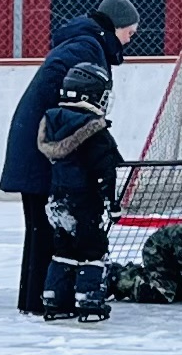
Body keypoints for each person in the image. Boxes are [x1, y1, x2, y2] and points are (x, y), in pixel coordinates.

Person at [0, 0, 140, 313]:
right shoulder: (85, 49)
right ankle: (43, 298)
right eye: (129, 33)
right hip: (43, 151)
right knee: (51, 226)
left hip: (40, 146)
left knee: (42, 227)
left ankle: (37, 298)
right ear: (115, 26)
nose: (129, 41)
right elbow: (73, 110)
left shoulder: (85, 45)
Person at [35, 60, 125, 320]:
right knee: (92, 249)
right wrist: (112, 203)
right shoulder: (95, 130)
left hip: (57, 199)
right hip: (85, 201)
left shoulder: (53, 121)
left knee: (63, 249)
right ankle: (89, 300)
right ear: (89, 95)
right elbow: (105, 171)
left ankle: (55, 298)